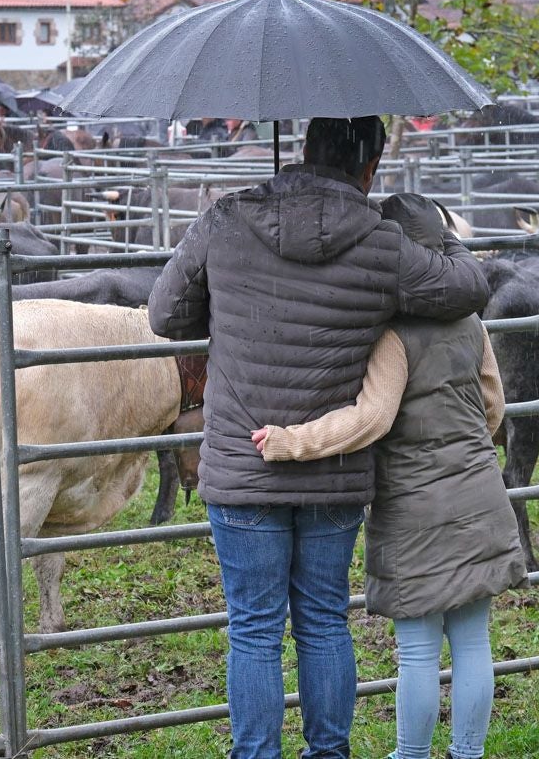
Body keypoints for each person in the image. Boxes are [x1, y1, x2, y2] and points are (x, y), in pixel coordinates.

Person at [148, 116, 490, 759]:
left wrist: (228, 297)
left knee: (253, 631)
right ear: (371, 167)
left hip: (243, 462)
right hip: (335, 468)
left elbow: (165, 313)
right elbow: (467, 289)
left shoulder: (224, 220)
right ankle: (329, 753)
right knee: (324, 621)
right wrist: (440, 233)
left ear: (303, 148)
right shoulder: (384, 242)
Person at [255, 194, 526, 759]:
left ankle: (410, 754)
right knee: (474, 640)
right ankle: (468, 752)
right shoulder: (470, 320)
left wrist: (290, 441)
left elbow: (371, 419)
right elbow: (492, 407)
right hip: (481, 491)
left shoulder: (391, 334)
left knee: (419, 652)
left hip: (415, 508)